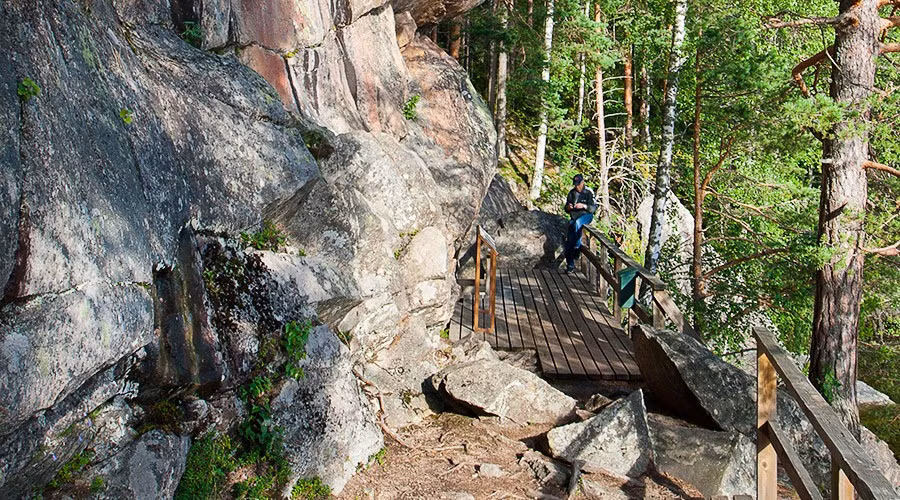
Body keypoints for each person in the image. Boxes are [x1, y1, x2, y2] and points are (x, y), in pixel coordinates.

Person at [563, 173, 597, 273]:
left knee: (578, 223)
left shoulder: (589, 192)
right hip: (574, 217)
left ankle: (577, 247)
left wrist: (584, 206)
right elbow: (566, 208)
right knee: (569, 241)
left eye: (578, 184)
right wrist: (569, 207)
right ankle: (570, 265)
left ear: (582, 183)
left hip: (586, 216)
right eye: (575, 184)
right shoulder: (571, 193)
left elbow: (593, 208)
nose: (577, 186)